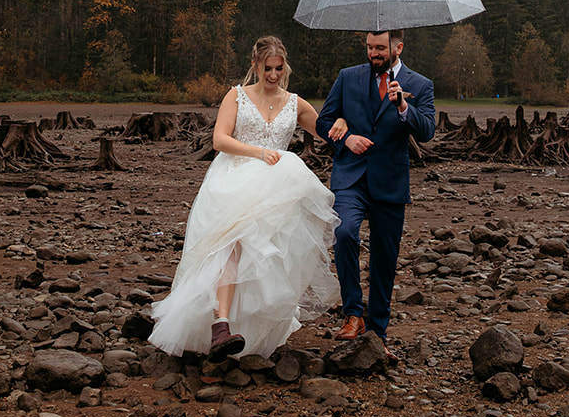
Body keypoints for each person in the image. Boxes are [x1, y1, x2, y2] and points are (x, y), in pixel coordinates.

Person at [149, 36, 341, 361]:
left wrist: (341, 123)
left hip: (277, 188)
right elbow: (220, 139)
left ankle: (254, 328)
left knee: (267, 257)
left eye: (279, 68)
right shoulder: (236, 96)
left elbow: (327, 131)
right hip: (234, 180)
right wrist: (259, 152)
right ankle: (221, 325)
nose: (273, 75)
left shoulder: (295, 103)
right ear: (255, 65)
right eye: (268, 68)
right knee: (231, 245)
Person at [317, 29, 435, 356]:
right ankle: (353, 314)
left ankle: (378, 331)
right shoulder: (347, 77)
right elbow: (323, 121)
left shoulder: (420, 85)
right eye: (369, 47)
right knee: (345, 233)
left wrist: (402, 108)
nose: (374, 53)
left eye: (380, 48)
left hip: (390, 182)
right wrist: (345, 138)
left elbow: (427, 131)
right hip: (350, 177)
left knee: (385, 258)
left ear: (398, 47)